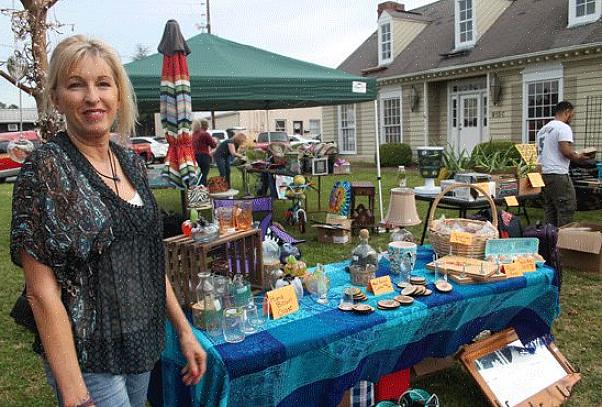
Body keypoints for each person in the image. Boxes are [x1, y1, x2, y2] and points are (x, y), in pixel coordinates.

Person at [10, 35, 206, 407]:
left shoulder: (129, 160)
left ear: (118, 93)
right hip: (88, 354)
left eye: (103, 83)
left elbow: (148, 258)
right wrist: (74, 395)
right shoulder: (46, 169)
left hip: (139, 342)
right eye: (75, 85)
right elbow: (41, 291)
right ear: (56, 97)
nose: (92, 97)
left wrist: (183, 331)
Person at [536, 100, 588, 226]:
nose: (572, 118)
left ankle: (549, 238)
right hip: (557, 174)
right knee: (566, 207)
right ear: (567, 112)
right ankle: (564, 241)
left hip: (544, 173)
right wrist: (579, 157)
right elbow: (565, 151)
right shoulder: (563, 127)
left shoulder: (543, 129)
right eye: (572, 115)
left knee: (551, 208)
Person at [191, 119, 217, 186]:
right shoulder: (205, 134)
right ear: (205, 126)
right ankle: (202, 192)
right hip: (204, 156)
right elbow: (213, 145)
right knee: (204, 175)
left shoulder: (193, 134)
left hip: (194, 157)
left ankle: (195, 190)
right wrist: (215, 141)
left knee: (198, 175)